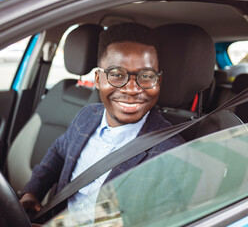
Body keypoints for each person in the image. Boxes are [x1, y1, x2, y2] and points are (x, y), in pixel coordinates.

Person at [20, 23, 185, 221]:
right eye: (117, 75)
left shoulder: (172, 154)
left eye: (146, 76)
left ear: (158, 81)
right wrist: (33, 191)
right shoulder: (87, 116)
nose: (132, 89)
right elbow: (59, 152)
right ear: (98, 79)